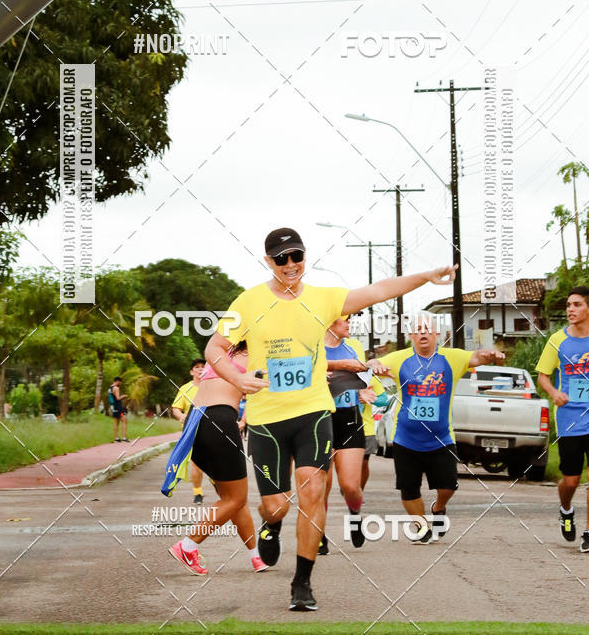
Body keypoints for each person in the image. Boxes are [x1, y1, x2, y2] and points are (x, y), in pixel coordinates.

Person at [205, 226, 456, 611]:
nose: (291, 265)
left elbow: (378, 291)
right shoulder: (249, 302)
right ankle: (271, 525)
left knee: (313, 491)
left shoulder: (323, 299)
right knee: (276, 504)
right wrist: (238, 378)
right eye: (281, 259)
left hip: (313, 412)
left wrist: (425, 277)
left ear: (304, 257)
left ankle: (302, 582)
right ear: (269, 262)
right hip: (267, 419)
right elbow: (215, 348)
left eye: (296, 256)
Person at [374, 316, 504, 543]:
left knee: (448, 485)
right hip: (406, 438)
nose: (423, 333)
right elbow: (370, 366)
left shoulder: (452, 357)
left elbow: (476, 357)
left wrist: (490, 355)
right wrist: (375, 364)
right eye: (417, 330)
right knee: (408, 489)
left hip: (441, 438)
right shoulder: (399, 358)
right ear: (411, 336)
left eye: (427, 329)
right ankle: (422, 526)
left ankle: (438, 507)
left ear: (437, 335)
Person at [164, 342, 268, 575]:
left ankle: (256, 556)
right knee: (236, 498)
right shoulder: (258, 354)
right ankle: (187, 546)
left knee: (232, 497)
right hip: (220, 419)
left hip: (195, 421)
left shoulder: (224, 354)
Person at [536, 287, 589, 552]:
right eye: (569, 304)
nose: (570, 309)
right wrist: (555, 392)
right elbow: (543, 376)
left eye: (577, 304)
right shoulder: (557, 340)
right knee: (572, 480)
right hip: (570, 418)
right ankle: (566, 509)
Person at [319, 316, 377, 555]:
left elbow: (362, 376)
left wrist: (364, 388)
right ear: (330, 321)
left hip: (349, 418)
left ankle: (355, 515)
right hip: (320, 417)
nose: (349, 323)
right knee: (322, 484)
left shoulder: (353, 347)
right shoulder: (314, 346)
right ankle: (318, 533)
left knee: (350, 486)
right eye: (345, 319)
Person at [171, 358, 206, 503]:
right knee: (197, 464)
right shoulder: (185, 389)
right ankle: (197, 492)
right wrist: (182, 416)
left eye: (203, 366)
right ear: (192, 371)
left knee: (216, 461)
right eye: (197, 367)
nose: (200, 369)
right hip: (192, 430)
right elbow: (176, 409)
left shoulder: (212, 387)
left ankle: (216, 482)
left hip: (212, 429)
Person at [108, 377, 128, 442]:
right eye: (120, 382)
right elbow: (118, 398)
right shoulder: (116, 388)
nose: (121, 383)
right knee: (124, 421)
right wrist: (124, 396)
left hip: (114, 407)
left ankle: (116, 438)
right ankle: (124, 438)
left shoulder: (110, 388)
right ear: (118, 381)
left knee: (116, 422)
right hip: (118, 407)